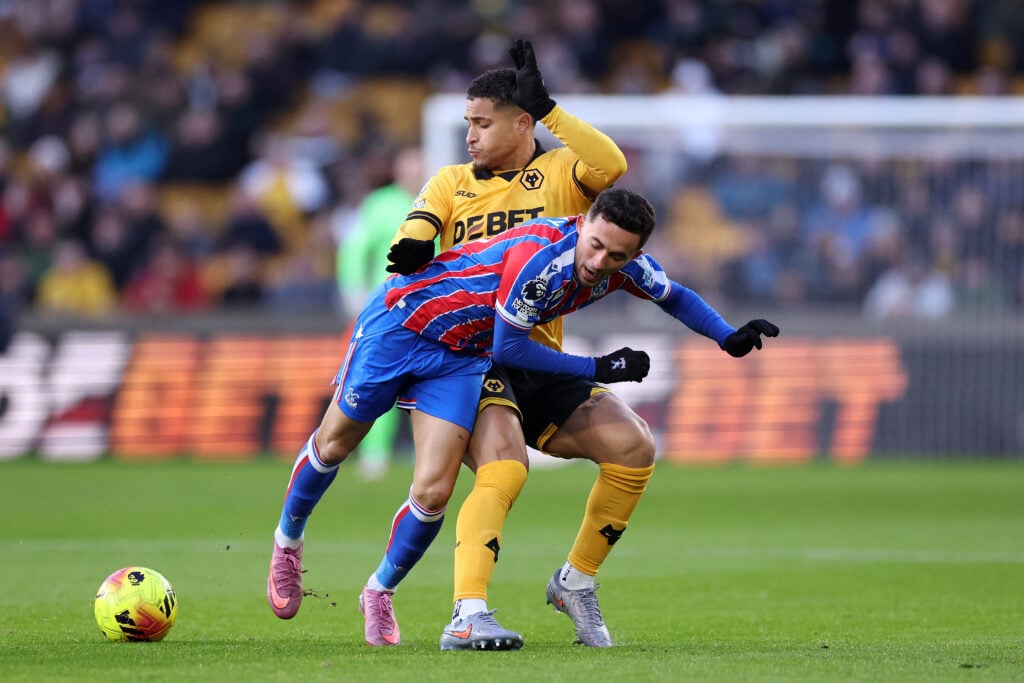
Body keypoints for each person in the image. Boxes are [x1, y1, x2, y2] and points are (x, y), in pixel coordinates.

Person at [266, 186, 779, 650]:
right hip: (402, 324)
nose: (600, 262)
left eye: (617, 255)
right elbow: (509, 347)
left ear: (635, 255)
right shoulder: (542, 262)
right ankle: (288, 543)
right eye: (596, 245)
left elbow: (675, 296)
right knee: (334, 444)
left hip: (461, 356)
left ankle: (379, 590)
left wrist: (725, 335)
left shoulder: (625, 266)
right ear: (583, 224)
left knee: (434, 491)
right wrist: (599, 367)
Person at [389, 38, 644, 650]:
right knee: (506, 467)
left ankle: (575, 582)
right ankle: (467, 611)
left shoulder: (560, 173)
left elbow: (610, 167)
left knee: (633, 448)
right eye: (467, 123)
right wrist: (418, 243)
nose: (470, 136)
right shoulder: (451, 181)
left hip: (541, 357)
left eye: (481, 122)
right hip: (473, 359)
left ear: (521, 122)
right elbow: (414, 234)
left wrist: (553, 111)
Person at [336, 146, 425, 480]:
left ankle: (432, 454)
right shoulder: (379, 204)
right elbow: (355, 247)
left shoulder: (441, 201)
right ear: (399, 171)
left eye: (420, 168)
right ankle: (374, 454)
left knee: (432, 386)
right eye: (410, 168)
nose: (415, 174)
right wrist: (352, 289)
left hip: (431, 309)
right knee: (378, 382)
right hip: (387, 309)